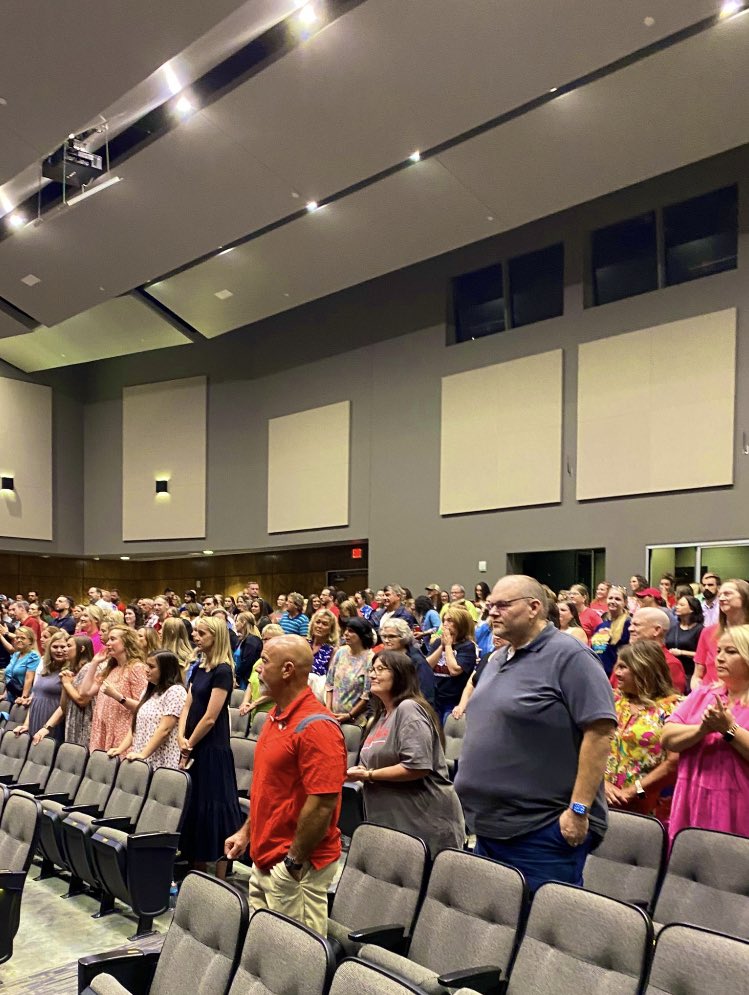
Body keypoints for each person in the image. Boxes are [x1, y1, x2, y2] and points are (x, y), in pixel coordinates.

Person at [454, 574, 616, 894]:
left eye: (502, 605)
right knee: (496, 929)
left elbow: (599, 732)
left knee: (539, 934)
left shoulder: (570, 656)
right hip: (489, 829)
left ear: (533, 607)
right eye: (490, 607)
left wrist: (579, 810)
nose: (492, 613)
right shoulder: (498, 658)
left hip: (541, 831)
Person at [224, 635, 347, 935]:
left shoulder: (318, 727)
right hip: (265, 858)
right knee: (266, 958)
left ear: (287, 670)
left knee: (296, 967)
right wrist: (247, 832)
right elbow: (270, 790)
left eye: (265, 661)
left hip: (294, 871)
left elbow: (322, 805)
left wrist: (291, 865)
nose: (257, 669)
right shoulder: (275, 717)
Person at [346, 650, 464, 856]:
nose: (373, 674)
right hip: (393, 823)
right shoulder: (380, 717)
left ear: (400, 675)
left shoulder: (409, 709)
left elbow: (417, 766)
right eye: (372, 669)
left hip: (424, 824)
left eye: (381, 669)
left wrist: (369, 775)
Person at [662, 624, 749, 841]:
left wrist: (729, 730)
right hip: (691, 798)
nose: (719, 658)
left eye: (730, 652)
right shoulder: (703, 694)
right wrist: (702, 729)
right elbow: (668, 738)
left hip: (738, 805)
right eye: (718, 650)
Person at [178, 615, 243, 876]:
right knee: (195, 808)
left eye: (201, 633)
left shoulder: (223, 671)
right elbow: (187, 705)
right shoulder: (198, 666)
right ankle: (196, 869)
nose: (195, 637)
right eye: (195, 632)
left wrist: (189, 743)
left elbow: (211, 716)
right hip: (192, 745)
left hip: (211, 749)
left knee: (214, 808)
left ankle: (219, 875)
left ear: (215, 637)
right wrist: (181, 737)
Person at [604, 640, 680, 819]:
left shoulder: (672, 708)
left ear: (643, 669)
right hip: (601, 796)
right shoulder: (611, 700)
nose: (617, 672)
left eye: (623, 667)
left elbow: (673, 764)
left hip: (645, 800)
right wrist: (601, 785)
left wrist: (633, 792)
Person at [108, 650, 187, 769]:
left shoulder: (176, 691)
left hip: (162, 760)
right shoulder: (149, 691)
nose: (146, 669)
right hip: (142, 757)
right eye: (146, 665)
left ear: (165, 670)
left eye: (151, 666)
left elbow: (165, 729)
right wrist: (121, 749)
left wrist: (143, 754)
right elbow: (136, 726)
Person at [83, 627, 149, 752]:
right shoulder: (111, 668)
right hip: (103, 729)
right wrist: (94, 662)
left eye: (113, 639)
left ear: (127, 642)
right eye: (108, 639)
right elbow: (85, 692)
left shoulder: (137, 668)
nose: (107, 643)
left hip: (122, 733)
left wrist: (117, 696)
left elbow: (144, 707)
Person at [33, 635, 95, 747]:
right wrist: (47, 727)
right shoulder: (71, 670)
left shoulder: (88, 668)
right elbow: (64, 706)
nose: (64, 649)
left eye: (68, 646)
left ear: (81, 649)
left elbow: (82, 700)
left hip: (84, 726)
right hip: (72, 723)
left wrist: (66, 684)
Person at [692, 578, 749, 690]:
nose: (721, 598)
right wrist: (701, 692)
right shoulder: (708, 632)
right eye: (720, 595)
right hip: (709, 696)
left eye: (727, 594)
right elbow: (697, 675)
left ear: (745, 597)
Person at [425, 607, 477, 724]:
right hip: (435, 699)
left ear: (460, 624)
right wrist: (441, 647)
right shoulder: (439, 642)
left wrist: (448, 646)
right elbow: (427, 666)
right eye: (444, 620)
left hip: (453, 701)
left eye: (450, 620)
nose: (445, 624)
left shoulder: (467, 646)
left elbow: (454, 670)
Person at [14, 632, 69, 740]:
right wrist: (26, 724)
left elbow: (64, 705)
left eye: (63, 647)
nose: (59, 650)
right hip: (35, 717)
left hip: (52, 722)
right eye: (55, 647)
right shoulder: (45, 669)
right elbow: (35, 697)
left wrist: (47, 727)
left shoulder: (69, 673)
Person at [325, 616, 375, 725]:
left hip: (354, 720)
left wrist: (350, 715)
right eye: (346, 630)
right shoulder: (340, 652)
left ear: (362, 635)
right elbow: (329, 684)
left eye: (351, 631)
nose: (346, 633)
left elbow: (366, 696)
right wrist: (328, 710)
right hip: (332, 716)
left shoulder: (370, 659)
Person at [626, 607, 686, 694]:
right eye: (631, 624)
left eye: (636, 624)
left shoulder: (669, 664)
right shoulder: (626, 658)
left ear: (657, 630)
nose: (630, 629)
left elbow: (671, 702)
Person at [379, 616, 436, 707]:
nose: (386, 640)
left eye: (391, 636)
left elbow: (427, 696)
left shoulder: (417, 662)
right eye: (384, 636)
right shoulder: (383, 658)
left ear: (403, 637)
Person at [238, 623, 282, 717]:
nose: (265, 642)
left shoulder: (281, 663)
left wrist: (255, 703)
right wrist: (245, 702)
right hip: (253, 711)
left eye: (268, 639)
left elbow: (278, 690)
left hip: (269, 712)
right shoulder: (259, 661)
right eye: (263, 639)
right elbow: (250, 684)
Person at [590, 586, 631, 676]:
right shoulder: (600, 626)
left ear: (625, 602)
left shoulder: (629, 625)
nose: (613, 601)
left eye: (617, 599)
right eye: (610, 598)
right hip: (598, 673)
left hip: (615, 676)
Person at [665, 595, 704, 684]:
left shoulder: (700, 630)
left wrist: (682, 652)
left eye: (682, 605)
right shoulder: (673, 628)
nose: (677, 607)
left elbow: (702, 654)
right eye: (677, 604)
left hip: (690, 674)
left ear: (692, 609)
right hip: (672, 672)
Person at [3, 627, 41, 705]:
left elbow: (28, 679)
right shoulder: (16, 654)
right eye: (17, 637)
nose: (19, 640)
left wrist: (23, 697)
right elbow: (9, 676)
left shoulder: (33, 656)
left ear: (30, 641)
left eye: (23, 638)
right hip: (10, 696)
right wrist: (4, 695)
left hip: (21, 698)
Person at [233, 612, 263, 690]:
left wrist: (237, 675)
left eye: (237, 621)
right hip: (239, 678)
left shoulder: (251, 641)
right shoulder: (241, 640)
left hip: (246, 680)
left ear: (243, 623)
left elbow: (247, 663)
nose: (235, 624)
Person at [308, 608, 339, 679]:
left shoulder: (332, 651)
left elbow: (331, 679)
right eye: (317, 622)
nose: (319, 626)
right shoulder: (304, 644)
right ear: (313, 624)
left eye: (324, 624)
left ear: (330, 629)